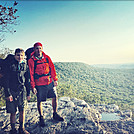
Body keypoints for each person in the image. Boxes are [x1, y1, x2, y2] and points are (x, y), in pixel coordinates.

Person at [28, 42, 64, 127]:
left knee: (54, 96)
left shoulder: (47, 57)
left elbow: (52, 68)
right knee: (40, 100)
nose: (39, 50)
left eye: (40, 48)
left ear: (42, 49)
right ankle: (41, 117)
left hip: (49, 81)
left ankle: (55, 114)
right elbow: (31, 74)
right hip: (39, 83)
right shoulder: (31, 60)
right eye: (37, 48)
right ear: (34, 49)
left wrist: (55, 79)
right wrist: (33, 86)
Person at [4, 48, 30, 134]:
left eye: (21, 55)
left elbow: (27, 80)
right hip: (12, 91)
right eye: (18, 55)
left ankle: (21, 128)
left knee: (22, 110)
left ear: (24, 56)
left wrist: (28, 93)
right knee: (13, 112)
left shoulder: (25, 66)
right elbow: (6, 80)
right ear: (15, 55)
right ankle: (13, 129)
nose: (20, 57)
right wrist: (8, 94)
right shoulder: (10, 65)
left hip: (22, 91)